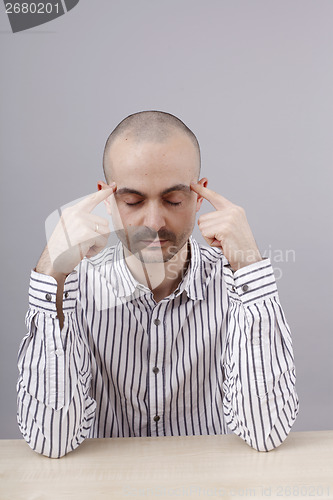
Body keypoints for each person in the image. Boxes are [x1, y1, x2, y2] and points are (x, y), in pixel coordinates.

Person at [17, 110, 299, 458]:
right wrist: (50, 274)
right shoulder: (74, 291)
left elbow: (265, 432)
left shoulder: (236, 284)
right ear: (107, 200)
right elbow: (51, 441)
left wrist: (250, 265)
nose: (153, 222)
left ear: (199, 198)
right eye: (133, 201)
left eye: (173, 200)